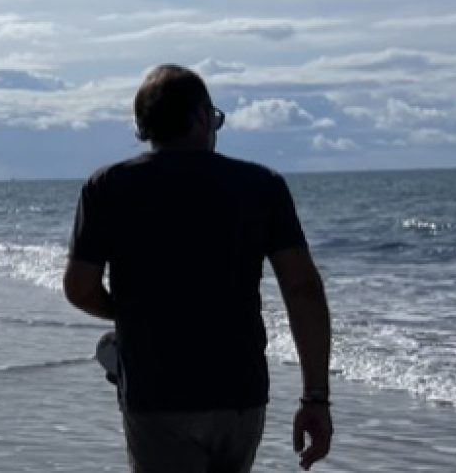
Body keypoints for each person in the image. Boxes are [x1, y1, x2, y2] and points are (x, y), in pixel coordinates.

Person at [63, 64, 333, 472]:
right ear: (203, 117)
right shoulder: (261, 186)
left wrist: (134, 316)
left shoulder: (108, 188)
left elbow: (80, 288)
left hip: (157, 392)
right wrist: (315, 397)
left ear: (143, 126)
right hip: (239, 391)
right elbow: (302, 290)